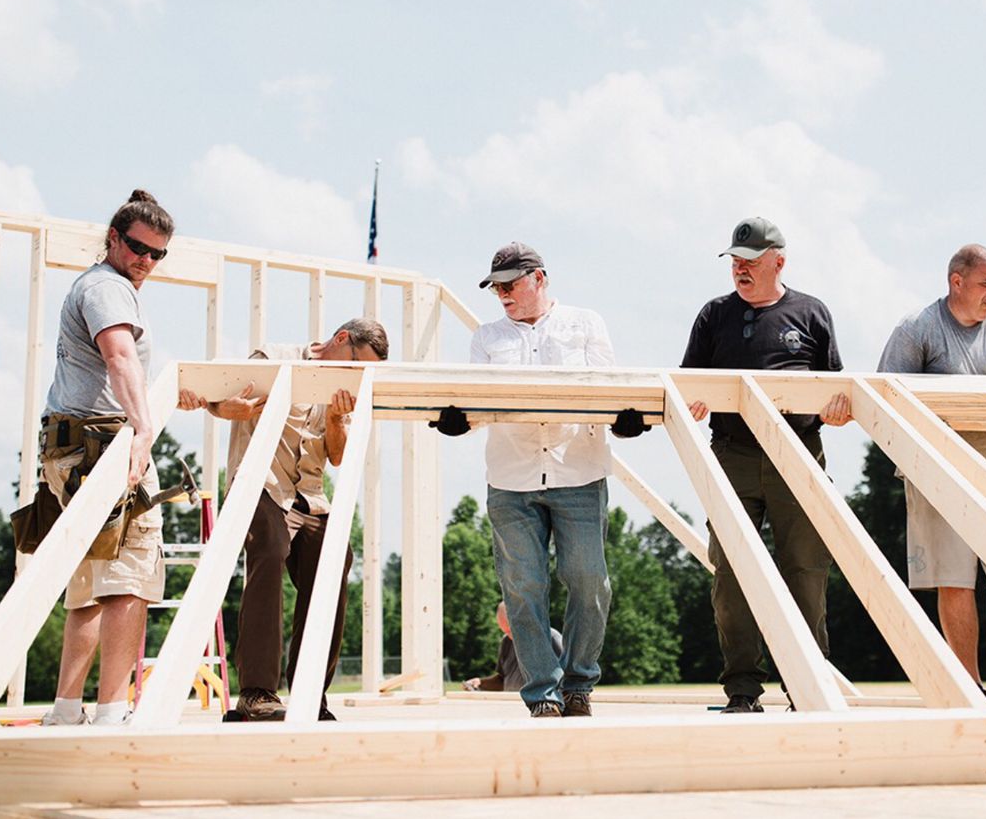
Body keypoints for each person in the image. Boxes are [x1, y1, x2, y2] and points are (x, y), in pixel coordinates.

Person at [432, 242, 645, 718]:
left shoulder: (585, 323)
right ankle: (543, 694)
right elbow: (478, 400)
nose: (502, 294)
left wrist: (624, 420)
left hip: (579, 470)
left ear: (539, 278)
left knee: (590, 582)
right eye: (496, 288)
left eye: (510, 285)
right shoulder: (487, 337)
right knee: (523, 589)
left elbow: (609, 388)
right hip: (512, 478)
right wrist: (460, 420)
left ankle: (578, 683)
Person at [178, 319, 389, 722]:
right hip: (262, 484)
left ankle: (311, 691)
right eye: (355, 364)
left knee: (335, 561)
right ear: (340, 340)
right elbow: (219, 398)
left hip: (309, 496)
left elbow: (337, 456)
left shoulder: (344, 388)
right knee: (270, 552)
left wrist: (335, 422)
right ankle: (257, 693)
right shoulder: (274, 358)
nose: (357, 376)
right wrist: (225, 409)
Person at [681, 218, 852, 713]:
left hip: (798, 453)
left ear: (779, 259)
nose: (740, 270)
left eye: (750, 261)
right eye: (735, 261)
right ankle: (742, 689)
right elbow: (688, 382)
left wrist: (836, 410)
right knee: (731, 573)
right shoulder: (714, 316)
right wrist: (693, 401)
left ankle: (808, 686)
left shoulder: (812, 312)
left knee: (805, 570)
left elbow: (833, 389)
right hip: (733, 453)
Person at [876, 244, 986, 708]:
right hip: (939, 475)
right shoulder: (918, 330)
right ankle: (969, 686)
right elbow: (885, 400)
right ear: (957, 281)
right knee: (955, 580)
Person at [38, 190, 175, 726]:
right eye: (139, 248)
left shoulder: (97, 285)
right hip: (102, 444)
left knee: (91, 582)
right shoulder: (107, 289)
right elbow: (119, 358)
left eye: (158, 254)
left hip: (72, 443)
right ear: (113, 238)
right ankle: (114, 708)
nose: (146, 261)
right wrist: (142, 430)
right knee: (128, 578)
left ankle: (67, 710)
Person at [462, 601, 564, 693]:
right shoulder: (506, 641)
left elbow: (570, 677)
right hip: (510, 707)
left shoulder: (551, 638)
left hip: (541, 709)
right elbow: (502, 680)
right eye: (504, 631)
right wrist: (480, 683)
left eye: (511, 631)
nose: (510, 637)